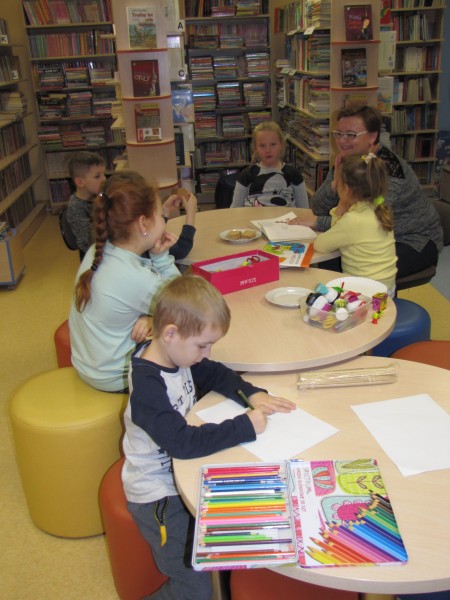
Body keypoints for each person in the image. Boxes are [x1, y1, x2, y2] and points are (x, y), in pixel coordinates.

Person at [122, 274, 297, 600]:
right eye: (202, 345)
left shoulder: (174, 353)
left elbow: (215, 372)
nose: (206, 353)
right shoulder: (148, 385)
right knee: (196, 588)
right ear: (170, 333)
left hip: (184, 473)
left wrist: (252, 393)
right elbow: (181, 442)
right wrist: (243, 426)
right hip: (159, 495)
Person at [289, 104, 443, 279]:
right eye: (339, 133)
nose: (342, 141)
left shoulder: (386, 170)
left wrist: (319, 222)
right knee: (331, 260)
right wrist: (335, 183)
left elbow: (367, 221)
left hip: (413, 240)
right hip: (371, 235)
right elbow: (317, 207)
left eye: (351, 134)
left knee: (347, 265)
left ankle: (378, 297)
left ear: (372, 136)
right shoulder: (349, 160)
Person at [69, 171, 181, 393]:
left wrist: (152, 317)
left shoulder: (97, 251)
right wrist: (162, 259)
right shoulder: (135, 277)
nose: (164, 220)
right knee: (188, 348)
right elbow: (187, 306)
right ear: (143, 224)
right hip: (116, 378)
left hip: (89, 366)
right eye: (161, 215)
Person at [67, 158, 197, 262]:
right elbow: (180, 250)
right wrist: (191, 214)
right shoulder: (137, 246)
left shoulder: (117, 228)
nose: (104, 180)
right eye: (97, 176)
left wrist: (165, 212)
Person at [313, 153, 397, 295]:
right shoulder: (378, 209)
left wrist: (339, 210)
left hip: (364, 294)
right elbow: (341, 232)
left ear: (346, 189)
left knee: (318, 293)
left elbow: (320, 245)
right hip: (387, 289)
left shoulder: (353, 220)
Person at [231, 120, 309, 208]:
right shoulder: (246, 174)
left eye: (273, 144)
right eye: (262, 145)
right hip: (254, 215)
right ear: (255, 148)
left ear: (281, 145)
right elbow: (235, 209)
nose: (268, 150)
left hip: (285, 216)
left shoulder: (294, 174)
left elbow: (304, 209)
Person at [66, 151, 106, 260]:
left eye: (104, 174)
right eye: (97, 176)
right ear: (80, 182)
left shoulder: (99, 196)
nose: (104, 179)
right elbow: (90, 241)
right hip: (94, 257)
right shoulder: (76, 208)